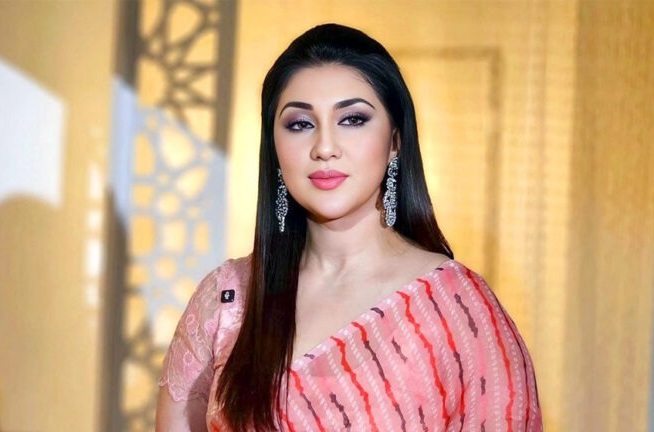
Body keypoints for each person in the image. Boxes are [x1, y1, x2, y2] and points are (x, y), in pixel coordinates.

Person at [156, 23, 541, 432]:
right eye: (300, 124)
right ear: (274, 148)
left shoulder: (457, 309)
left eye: (353, 119)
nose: (324, 147)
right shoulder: (227, 300)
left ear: (395, 141)